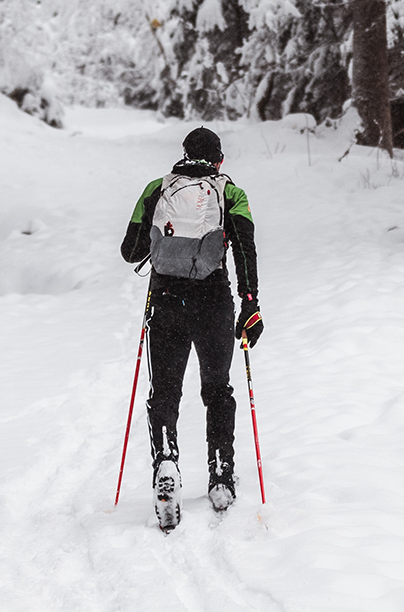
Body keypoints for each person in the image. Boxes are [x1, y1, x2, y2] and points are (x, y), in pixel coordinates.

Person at [120, 127, 263, 531]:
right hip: (213, 301)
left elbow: (130, 250)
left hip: (165, 300)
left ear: (183, 155)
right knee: (218, 388)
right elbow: (245, 248)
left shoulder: (157, 188)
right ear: (219, 160)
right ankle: (220, 476)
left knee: (164, 391)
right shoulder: (230, 193)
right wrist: (249, 303)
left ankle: (166, 461)